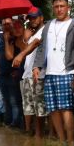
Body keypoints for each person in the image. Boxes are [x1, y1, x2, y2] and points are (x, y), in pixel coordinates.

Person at [34, 0, 74, 144]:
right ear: (53, 8)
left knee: (66, 109)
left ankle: (71, 141)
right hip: (49, 73)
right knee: (53, 109)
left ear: (68, 7)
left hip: (67, 72)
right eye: (56, 6)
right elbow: (41, 48)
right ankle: (62, 141)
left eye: (62, 6)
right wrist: (37, 65)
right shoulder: (48, 25)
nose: (59, 9)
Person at [16, 8, 47, 138]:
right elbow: (23, 48)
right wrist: (24, 39)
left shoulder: (44, 31)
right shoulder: (31, 33)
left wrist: (22, 52)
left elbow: (34, 45)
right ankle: (29, 131)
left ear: (41, 17)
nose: (32, 20)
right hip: (26, 74)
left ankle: (39, 134)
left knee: (39, 106)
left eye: (35, 17)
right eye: (31, 18)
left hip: (38, 73)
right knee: (27, 106)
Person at [0, 17, 25, 128]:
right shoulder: (0, 38)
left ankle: (16, 123)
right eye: (4, 24)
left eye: (8, 24)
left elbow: (10, 56)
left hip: (13, 74)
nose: (6, 26)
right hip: (2, 74)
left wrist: (7, 40)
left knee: (14, 101)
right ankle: (8, 122)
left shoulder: (15, 38)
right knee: (6, 100)